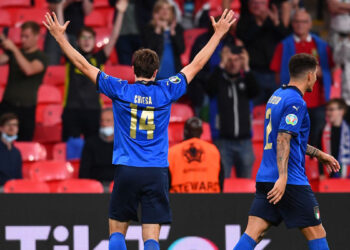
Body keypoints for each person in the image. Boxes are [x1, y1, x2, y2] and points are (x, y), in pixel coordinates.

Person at [43, 8, 236, 250]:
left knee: (116, 232)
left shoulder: (120, 89)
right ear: (156, 72)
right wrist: (217, 35)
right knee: (151, 238)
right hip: (156, 171)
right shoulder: (166, 90)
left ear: (134, 70)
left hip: (127, 169)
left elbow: (83, 64)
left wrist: (61, 38)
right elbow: (196, 64)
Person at [233, 54, 340, 250]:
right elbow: (283, 138)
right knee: (317, 233)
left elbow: (287, 139)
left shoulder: (277, 96)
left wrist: (319, 154)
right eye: (315, 75)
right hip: (289, 181)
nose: (316, 79)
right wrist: (282, 177)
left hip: (266, 178)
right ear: (309, 75)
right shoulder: (296, 102)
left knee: (253, 233)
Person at [62, 0, 127, 141]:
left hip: (94, 111)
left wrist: (120, 12)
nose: (86, 41)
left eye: (90, 38)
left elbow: (114, 36)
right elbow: (62, 37)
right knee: (71, 150)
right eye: (83, 38)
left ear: (94, 40)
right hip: (71, 110)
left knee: (91, 148)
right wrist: (61, 8)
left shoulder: (99, 58)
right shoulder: (72, 57)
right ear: (77, 41)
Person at [270, 9, 334, 147]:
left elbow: (331, 72)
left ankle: (315, 168)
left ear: (310, 24)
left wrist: (322, 73)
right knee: (293, 140)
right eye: (297, 21)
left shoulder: (322, 46)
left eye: (304, 21)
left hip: (318, 103)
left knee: (317, 140)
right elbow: (277, 75)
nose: (300, 25)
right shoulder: (283, 45)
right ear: (292, 24)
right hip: (293, 103)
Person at [207, 44, 259, 178]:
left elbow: (256, 91)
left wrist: (247, 67)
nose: (233, 64)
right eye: (229, 60)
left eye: (237, 60)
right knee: (223, 186)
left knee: (247, 186)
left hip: (245, 142)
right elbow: (209, 88)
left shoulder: (246, 81)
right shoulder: (219, 81)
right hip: (223, 142)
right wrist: (221, 64)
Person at [0, 21, 48, 141]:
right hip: (7, 105)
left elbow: (29, 69)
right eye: (22, 36)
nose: (23, 39)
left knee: (24, 144)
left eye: (26, 36)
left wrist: (14, 49)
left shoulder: (41, 57)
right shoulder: (13, 53)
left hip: (26, 110)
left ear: (37, 36)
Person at [236, 0, 290, 106]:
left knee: (278, 109)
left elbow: (286, 38)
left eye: (260, 3)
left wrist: (276, 23)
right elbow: (243, 38)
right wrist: (259, 24)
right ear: (249, 5)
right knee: (253, 108)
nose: (257, 6)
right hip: (255, 73)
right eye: (253, 3)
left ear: (267, 5)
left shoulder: (274, 20)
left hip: (275, 75)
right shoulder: (244, 21)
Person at [168, 117, 222, 193]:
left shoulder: (172, 152)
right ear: (202, 132)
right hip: (210, 199)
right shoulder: (213, 150)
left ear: (185, 132)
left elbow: (165, 182)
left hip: (179, 200)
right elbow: (221, 180)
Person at [142, 0, 185, 79]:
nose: (165, 11)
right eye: (162, 8)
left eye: (168, 9)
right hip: (155, 74)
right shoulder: (149, 29)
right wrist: (157, 30)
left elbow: (181, 50)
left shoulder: (177, 28)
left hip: (174, 73)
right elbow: (148, 50)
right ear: (156, 12)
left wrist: (172, 33)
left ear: (172, 12)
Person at [44, 0, 94, 65]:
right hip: (55, 32)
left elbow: (88, 11)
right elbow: (53, 9)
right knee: (51, 64)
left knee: (78, 65)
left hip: (77, 32)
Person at [79, 108, 115, 183]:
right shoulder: (90, 143)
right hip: (95, 188)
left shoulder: (123, 144)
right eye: (102, 120)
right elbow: (84, 171)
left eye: (108, 121)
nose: (104, 124)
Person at [321, 98, 350, 178]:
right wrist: (321, 173)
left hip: (347, 176)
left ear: (341, 111)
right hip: (328, 176)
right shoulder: (323, 131)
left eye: (331, 110)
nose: (328, 113)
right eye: (327, 110)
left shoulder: (348, 131)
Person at [0, 113, 22, 186]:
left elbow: (18, 176)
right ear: (1, 128)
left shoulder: (16, 152)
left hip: (14, 190)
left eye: (15, 125)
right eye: (8, 124)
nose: (12, 127)